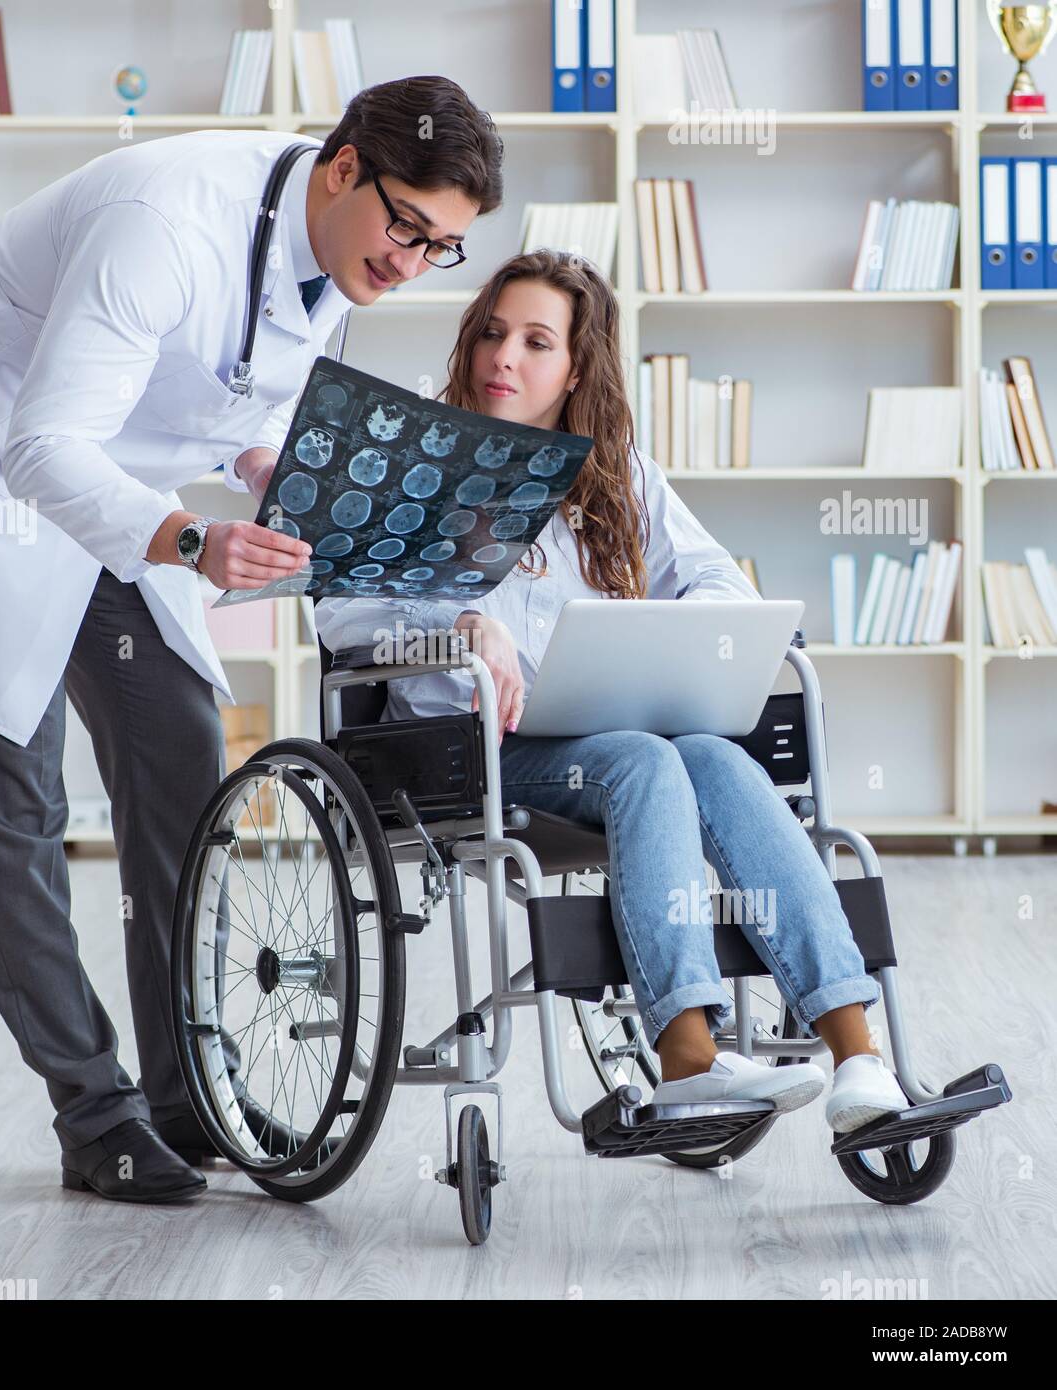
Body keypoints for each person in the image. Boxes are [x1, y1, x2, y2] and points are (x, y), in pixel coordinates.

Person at [0, 78, 503, 1202]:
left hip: (109, 475)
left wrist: (272, 468)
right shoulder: (164, 227)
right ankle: (96, 1114)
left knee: (179, 745)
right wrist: (187, 542)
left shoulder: (333, 233)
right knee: (12, 807)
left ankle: (185, 1096)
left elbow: (235, 385)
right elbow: (42, 447)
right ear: (342, 170)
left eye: (443, 248)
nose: (412, 263)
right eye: (407, 229)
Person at [315, 249, 911, 1134]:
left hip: (599, 736)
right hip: (461, 752)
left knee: (705, 753)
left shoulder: (615, 476)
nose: (501, 357)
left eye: (534, 341)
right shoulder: (412, 467)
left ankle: (859, 1060)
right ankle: (686, 1055)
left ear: (577, 367)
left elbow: (716, 578)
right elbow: (340, 618)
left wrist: (679, 627)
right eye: (491, 331)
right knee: (644, 762)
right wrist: (460, 624)